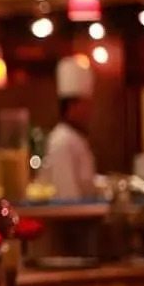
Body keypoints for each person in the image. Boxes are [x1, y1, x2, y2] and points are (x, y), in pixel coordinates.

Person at [44, 56, 97, 200]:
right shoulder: (61, 141)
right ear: (72, 106)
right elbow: (67, 196)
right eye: (86, 105)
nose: (90, 111)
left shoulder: (76, 138)